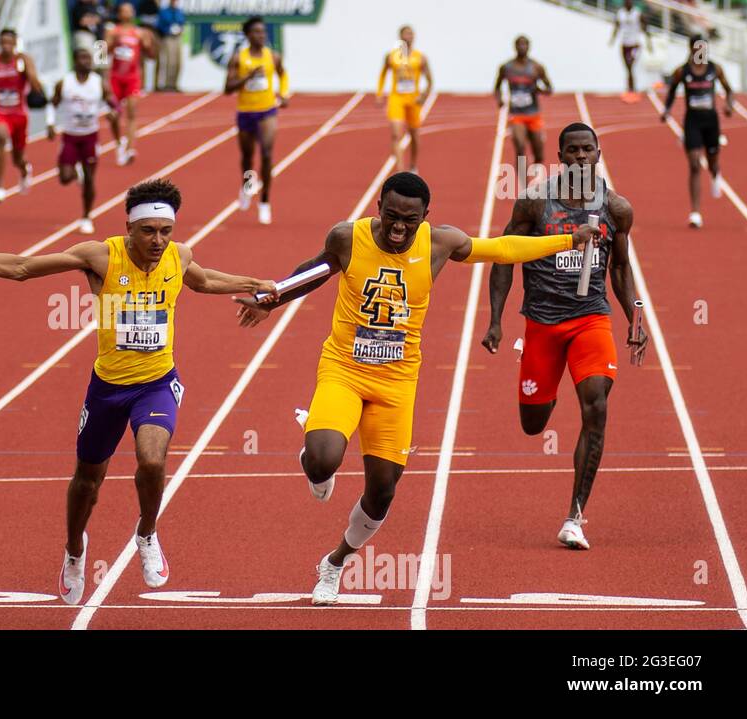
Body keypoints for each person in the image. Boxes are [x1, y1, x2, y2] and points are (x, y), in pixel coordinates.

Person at [233, 172, 599, 604]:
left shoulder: (440, 243)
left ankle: (334, 563)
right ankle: (314, 452)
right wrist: (273, 297)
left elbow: (500, 248)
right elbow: (314, 272)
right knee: (321, 462)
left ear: (426, 216)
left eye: (409, 219)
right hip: (344, 369)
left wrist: (568, 240)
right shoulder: (348, 237)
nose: (398, 228)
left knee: (383, 490)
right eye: (391, 217)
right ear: (379, 209)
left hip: (397, 382)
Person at [0, 179, 277, 604]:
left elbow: (201, 280)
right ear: (129, 227)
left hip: (157, 383)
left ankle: (146, 533)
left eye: (166, 231)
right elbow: (22, 268)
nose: (158, 240)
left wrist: (256, 283)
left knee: (151, 457)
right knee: (88, 481)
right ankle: (74, 551)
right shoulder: (100, 256)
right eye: (148, 231)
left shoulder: (179, 255)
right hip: (107, 389)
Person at [482, 123, 648, 549]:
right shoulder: (535, 203)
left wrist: (636, 314)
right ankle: (545, 382)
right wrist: (496, 319)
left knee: (596, 406)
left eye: (586, 149)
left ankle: (575, 515)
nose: (579, 156)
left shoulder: (617, 208)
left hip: (591, 319)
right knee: (533, 425)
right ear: (559, 155)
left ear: (597, 153)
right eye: (571, 150)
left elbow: (621, 268)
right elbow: (504, 257)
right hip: (541, 323)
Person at [661, 35, 734, 229]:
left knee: (712, 162)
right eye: (697, 48)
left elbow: (729, 89)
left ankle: (715, 172)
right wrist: (666, 110)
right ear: (692, 49)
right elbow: (671, 92)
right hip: (692, 121)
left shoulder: (714, 69)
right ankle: (695, 213)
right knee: (694, 163)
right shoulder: (682, 71)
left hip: (711, 121)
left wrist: (728, 105)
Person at [225, 15, 288, 226]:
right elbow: (227, 88)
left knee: (268, 154)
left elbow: (283, 74)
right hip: (245, 112)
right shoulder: (238, 58)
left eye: (263, 32)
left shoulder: (273, 56)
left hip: (267, 110)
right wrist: (247, 77)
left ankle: (265, 201)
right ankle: (247, 186)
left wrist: (284, 94)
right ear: (247, 35)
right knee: (247, 156)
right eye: (256, 32)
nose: (261, 35)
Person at [47, 45, 117, 234]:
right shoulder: (65, 83)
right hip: (70, 136)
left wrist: (113, 112)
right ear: (75, 61)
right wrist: (50, 123)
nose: (87, 61)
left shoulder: (97, 82)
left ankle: (86, 216)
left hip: (90, 137)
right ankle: (76, 173)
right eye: (82, 58)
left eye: (89, 58)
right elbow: (52, 104)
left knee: (90, 179)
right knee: (64, 178)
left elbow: (112, 101)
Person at [0, 28, 44, 203]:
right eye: (2, 43)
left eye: (9, 43)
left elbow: (36, 86)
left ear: (15, 44)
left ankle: (24, 168)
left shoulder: (23, 60)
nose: (5, 46)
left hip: (19, 114)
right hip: (0, 112)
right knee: (2, 138)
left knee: (17, 157)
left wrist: (27, 71)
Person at [376, 25, 432, 174]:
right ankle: (400, 171)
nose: (409, 36)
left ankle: (413, 165)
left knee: (414, 134)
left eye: (411, 34)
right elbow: (382, 74)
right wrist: (379, 93)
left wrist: (424, 95)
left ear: (414, 37)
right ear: (400, 37)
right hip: (396, 98)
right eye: (406, 33)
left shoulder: (421, 57)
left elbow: (430, 81)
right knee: (396, 134)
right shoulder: (391, 56)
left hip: (413, 100)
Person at [106, 3, 156, 166]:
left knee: (132, 112)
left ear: (133, 13)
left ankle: (130, 148)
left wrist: (149, 45)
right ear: (119, 14)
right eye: (124, 11)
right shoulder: (112, 31)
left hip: (133, 77)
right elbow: (99, 53)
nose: (127, 13)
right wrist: (109, 43)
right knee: (113, 114)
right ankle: (119, 143)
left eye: (129, 11)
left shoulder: (140, 32)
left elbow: (151, 56)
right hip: (115, 77)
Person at [494, 35, 552, 165]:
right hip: (516, 114)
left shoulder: (537, 67)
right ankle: (523, 180)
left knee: (539, 152)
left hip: (533, 113)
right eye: (519, 44)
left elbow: (550, 89)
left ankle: (537, 172)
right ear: (515, 47)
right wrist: (500, 100)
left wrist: (539, 90)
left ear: (529, 47)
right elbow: (497, 87)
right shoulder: (506, 67)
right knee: (520, 147)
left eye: (524, 44)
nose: (522, 47)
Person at [608, 0, 651, 102]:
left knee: (630, 65)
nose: (628, 3)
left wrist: (649, 42)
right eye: (626, 2)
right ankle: (630, 90)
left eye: (629, 1)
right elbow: (617, 26)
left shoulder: (637, 13)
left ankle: (632, 89)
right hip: (624, 44)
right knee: (628, 68)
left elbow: (645, 26)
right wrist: (612, 39)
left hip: (635, 45)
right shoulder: (620, 13)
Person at [155, 0, 185, 92]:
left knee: (178, 62)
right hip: (168, 37)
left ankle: (174, 84)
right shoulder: (164, 12)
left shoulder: (179, 11)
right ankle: (168, 84)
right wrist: (168, 30)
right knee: (170, 61)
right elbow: (159, 25)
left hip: (177, 38)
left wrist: (179, 29)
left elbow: (182, 22)